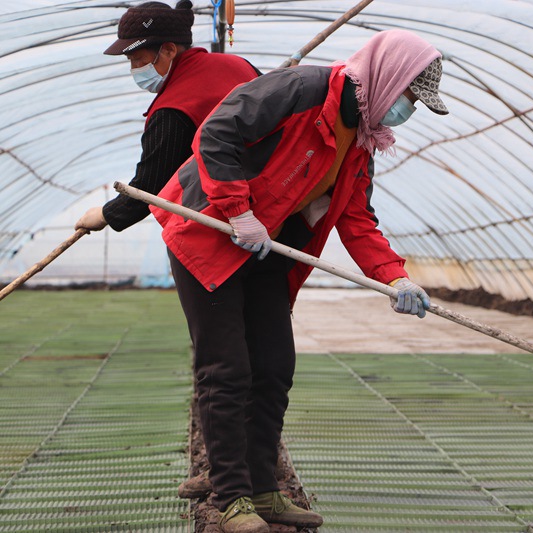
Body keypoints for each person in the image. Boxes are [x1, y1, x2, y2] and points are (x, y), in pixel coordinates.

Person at [151, 29, 449, 533]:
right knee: (227, 370)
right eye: (409, 97)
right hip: (208, 233)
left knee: (273, 367)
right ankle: (231, 498)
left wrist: (395, 277)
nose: (408, 111)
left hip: (265, 249)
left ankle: (264, 490)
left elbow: (357, 219)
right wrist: (237, 210)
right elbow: (217, 133)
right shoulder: (301, 89)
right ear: (387, 77)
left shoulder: (360, 141)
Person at [74, 0, 259, 234]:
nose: (135, 69)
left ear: (169, 50)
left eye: (139, 59)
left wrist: (105, 214)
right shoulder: (237, 64)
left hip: (243, 218)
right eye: (131, 61)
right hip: (285, 190)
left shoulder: (173, 108)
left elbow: (149, 188)